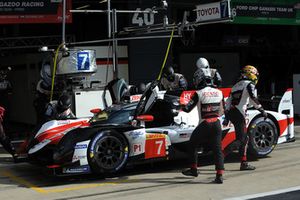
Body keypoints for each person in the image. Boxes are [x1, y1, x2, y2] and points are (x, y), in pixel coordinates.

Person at [180, 69, 225, 184]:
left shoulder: (198, 93)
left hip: (205, 124)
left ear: (200, 79)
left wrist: (178, 107)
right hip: (216, 124)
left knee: (192, 144)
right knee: (217, 150)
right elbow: (222, 110)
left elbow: (187, 108)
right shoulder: (219, 92)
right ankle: (219, 175)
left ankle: (194, 169)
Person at [223, 65, 267, 171]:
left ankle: (243, 162)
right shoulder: (249, 84)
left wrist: (227, 117)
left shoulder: (235, 86)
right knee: (241, 139)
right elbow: (253, 98)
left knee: (244, 138)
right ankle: (221, 155)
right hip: (240, 113)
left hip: (232, 113)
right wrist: (262, 110)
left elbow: (228, 102)